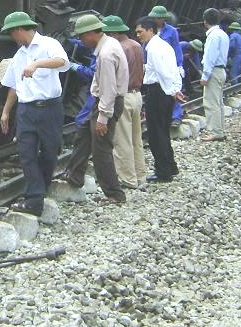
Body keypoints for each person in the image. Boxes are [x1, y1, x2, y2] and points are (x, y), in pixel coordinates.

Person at [0, 11, 70, 216]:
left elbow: (63, 62)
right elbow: (14, 86)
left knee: (50, 152)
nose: (12, 38)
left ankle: (41, 188)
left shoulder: (49, 44)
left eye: (12, 33)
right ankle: (34, 200)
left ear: (20, 30)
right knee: (26, 154)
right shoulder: (18, 56)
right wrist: (5, 112)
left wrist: (37, 63)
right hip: (26, 110)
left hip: (49, 108)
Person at [59, 15, 129, 204]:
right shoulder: (109, 45)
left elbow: (109, 88)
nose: (81, 40)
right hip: (101, 101)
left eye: (82, 36)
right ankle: (74, 175)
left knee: (101, 150)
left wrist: (103, 118)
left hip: (106, 103)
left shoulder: (106, 55)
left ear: (91, 33)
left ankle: (115, 194)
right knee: (83, 136)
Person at [101, 15, 148, 190]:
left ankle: (128, 179)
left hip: (124, 97)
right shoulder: (136, 46)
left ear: (113, 33)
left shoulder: (118, 49)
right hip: (137, 96)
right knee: (136, 139)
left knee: (122, 141)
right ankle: (140, 176)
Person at [135, 17, 184, 182]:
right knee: (163, 130)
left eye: (140, 31)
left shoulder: (153, 48)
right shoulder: (164, 45)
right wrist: (176, 89)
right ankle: (170, 166)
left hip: (158, 91)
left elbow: (163, 72)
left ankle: (163, 172)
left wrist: (171, 90)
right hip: (165, 91)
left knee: (156, 133)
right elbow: (174, 69)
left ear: (150, 30)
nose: (138, 35)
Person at [200, 7, 230, 141]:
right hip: (221, 70)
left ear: (205, 21)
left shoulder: (212, 36)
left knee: (211, 102)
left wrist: (205, 75)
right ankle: (220, 130)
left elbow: (209, 57)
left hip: (213, 71)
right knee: (218, 102)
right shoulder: (223, 34)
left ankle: (215, 132)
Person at [227, 22, 241, 86]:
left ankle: (235, 91)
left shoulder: (233, 35)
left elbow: (232, 46)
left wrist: (229, 55)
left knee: (234, 75)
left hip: (237, 57)